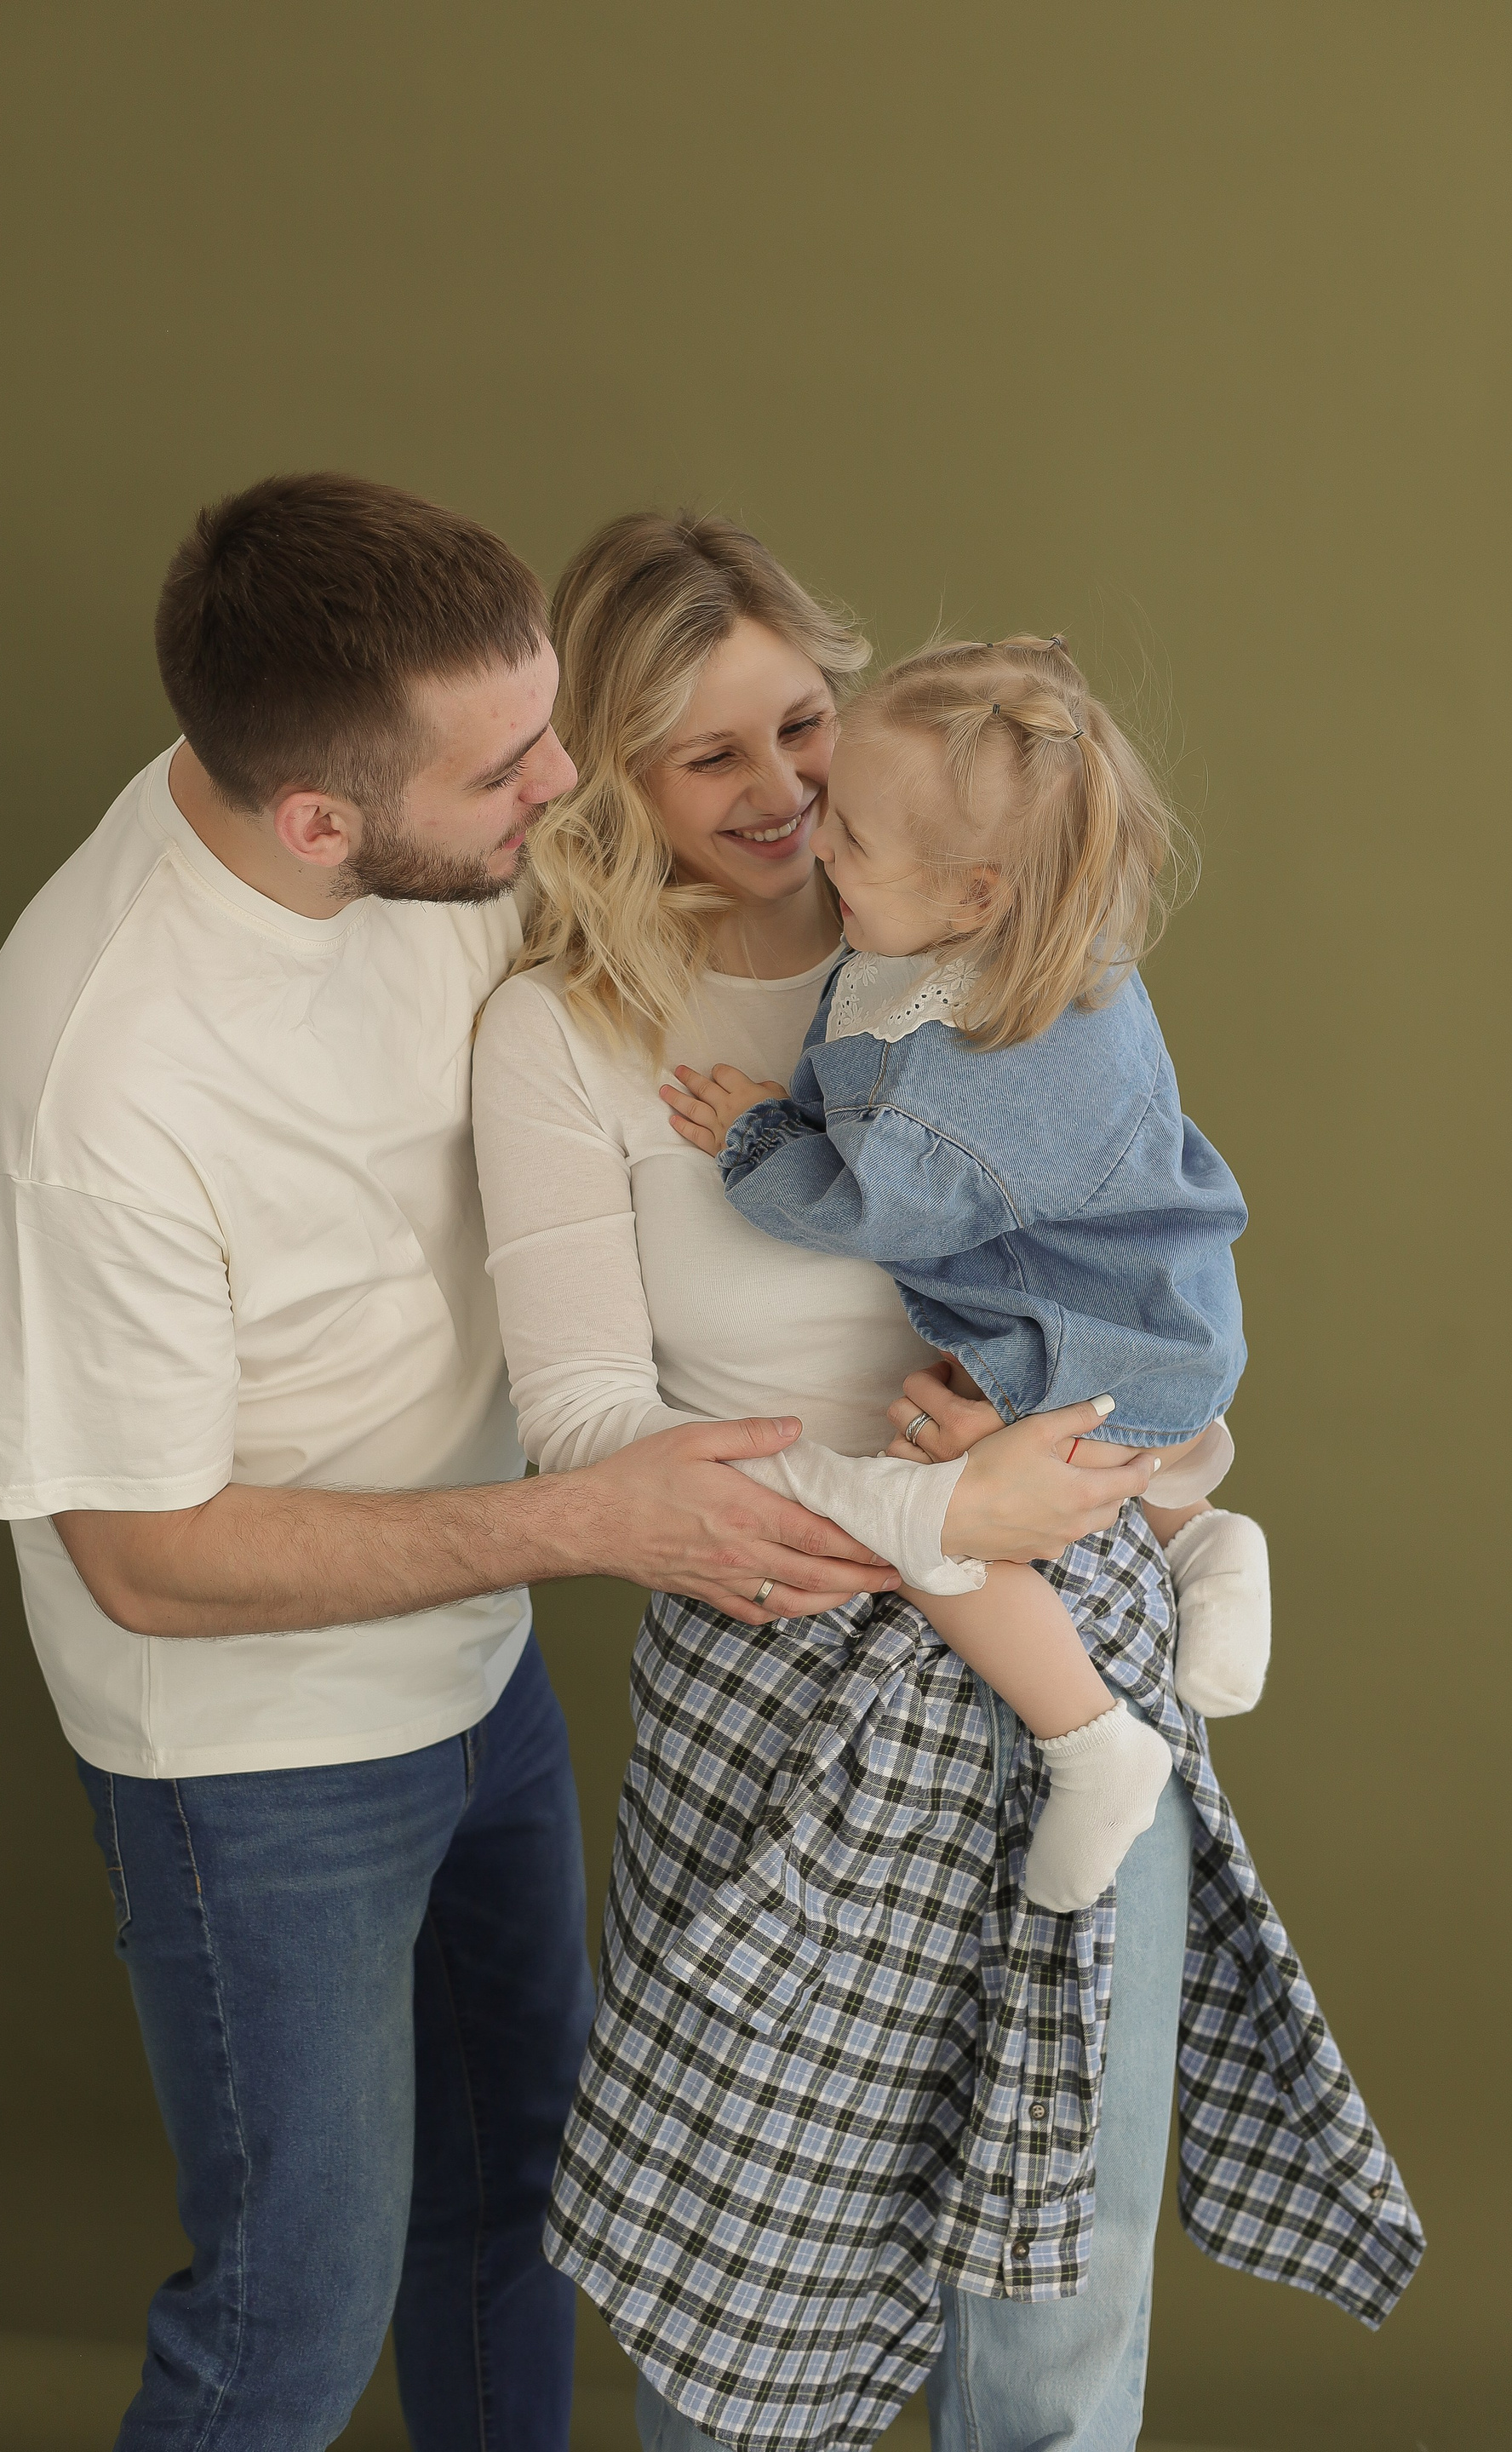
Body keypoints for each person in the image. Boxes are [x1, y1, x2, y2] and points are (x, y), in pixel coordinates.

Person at [0, 473, 1145, 2452]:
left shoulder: (446, 847)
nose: (563, 786)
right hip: (256, 1752)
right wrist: (597, 1516)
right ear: (324, 824)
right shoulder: (82, 1092)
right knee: (293, 2312)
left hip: (476, 1678)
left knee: (510, 2218)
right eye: (512, 768)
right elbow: (144, 1558)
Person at [472, 511, 1422, 2452]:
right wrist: (938, 1516)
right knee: (743, 2326)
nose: (783, 792)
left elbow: (1126, 1262)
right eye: (707, 753)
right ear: (608, 775)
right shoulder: (562, 1033)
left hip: (1075, 1663)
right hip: (776, 1679)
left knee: (1055, 2316)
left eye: (802, 727)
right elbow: (581, 1427)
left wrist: (1142, 1469)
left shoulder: (981, 946)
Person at [659, 634, 1274, 1911]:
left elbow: (860, 1207)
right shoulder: (1046, 934)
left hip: (1093, 1333)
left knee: (930, 1487)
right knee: (1031, 1446)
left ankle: (1088, 1740)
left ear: (975, 894)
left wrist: (757, 1134)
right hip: (1157, 1298)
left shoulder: (956, 1087)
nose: (819, 842)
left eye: (853, 840)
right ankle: (1207, 1534)